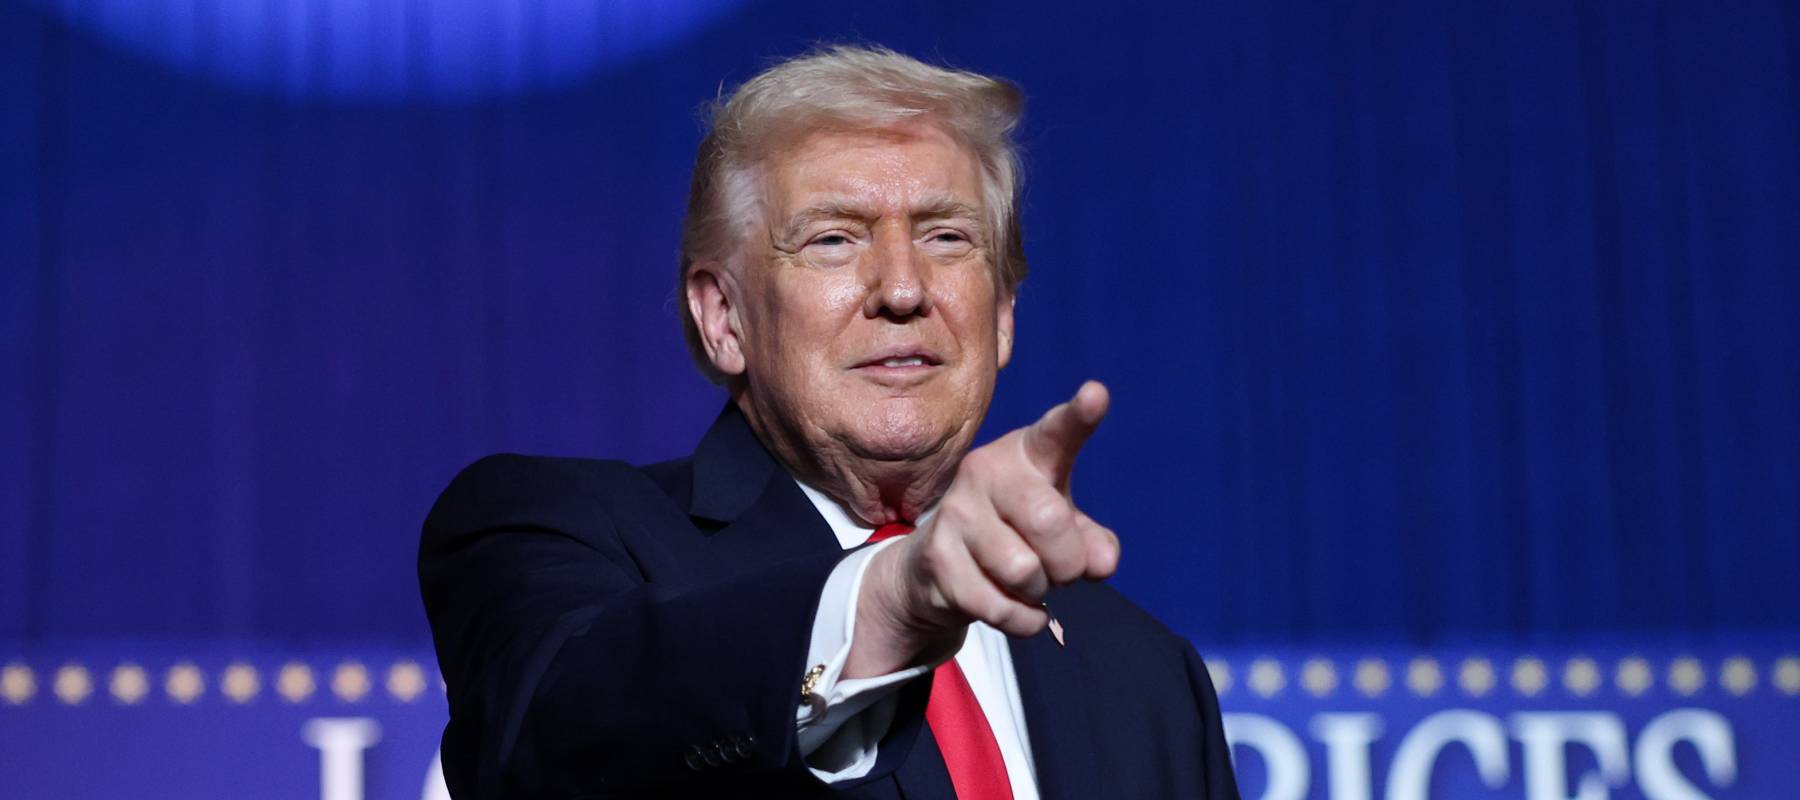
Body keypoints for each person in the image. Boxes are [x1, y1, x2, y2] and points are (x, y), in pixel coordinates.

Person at [420, 45, 1239, 799]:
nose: (903, 288)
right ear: (724, 317)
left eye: (947, 237)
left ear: (1003, 316)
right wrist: (887, 601)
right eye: (834, 240)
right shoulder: (550, 530)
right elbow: (552, 735)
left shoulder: (1148, 677)